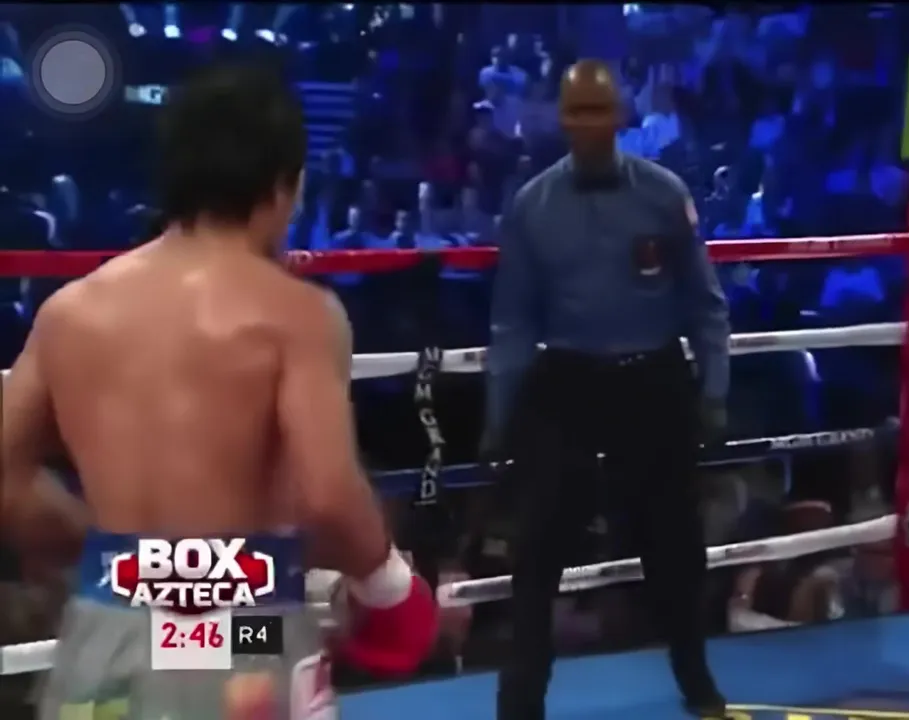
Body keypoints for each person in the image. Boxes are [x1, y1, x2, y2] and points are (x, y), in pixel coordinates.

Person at [0, 62, 439, 720]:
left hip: (101, 634)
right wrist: (389, 588)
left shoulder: (69, 311)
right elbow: (327, 496)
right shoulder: (294, 315)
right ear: (285, 186)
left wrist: (112, 559)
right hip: (240, 629)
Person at [484, 59, 730, 720]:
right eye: (577, 111)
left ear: (620, 115)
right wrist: (497, 416)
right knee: (537, 552)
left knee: (675, 549)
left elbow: (704, 303)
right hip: (567, 381)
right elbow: (513, 323)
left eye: (599, 110)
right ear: (561, 118)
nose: (588, 124)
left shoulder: (664, 193)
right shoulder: (533, 205)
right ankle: (520, 705)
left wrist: (714, 391)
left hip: (653, 380)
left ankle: (696, 680)